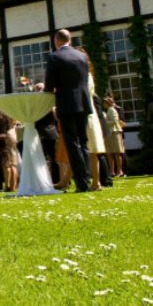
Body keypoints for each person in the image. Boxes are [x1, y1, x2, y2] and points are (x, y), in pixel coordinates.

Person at [44, 29, 94, 193]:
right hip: (83, 103)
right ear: (70, 40)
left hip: (66, 104)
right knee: (83, 142)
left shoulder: (54, 56)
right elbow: (84, 80)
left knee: (72, 143)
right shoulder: (81, 56)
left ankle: (81, 183)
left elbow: (50, 85)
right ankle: (86, 178)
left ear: (56, 41)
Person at [103, 97, 126, 178]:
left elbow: (114, 121)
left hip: (115, 132)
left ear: (107, 103)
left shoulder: (112, 110)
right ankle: (112, 171)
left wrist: (105, 121)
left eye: (104, 103)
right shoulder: (109, 110)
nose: (103, 105)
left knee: (116, 152)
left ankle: (119, 171)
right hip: (110, 133)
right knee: (110, 153)